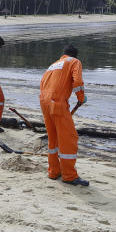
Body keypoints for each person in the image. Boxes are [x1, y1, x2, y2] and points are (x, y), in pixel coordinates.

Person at [39, 44, 88, 186]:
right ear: (75, 55)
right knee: (69, 138)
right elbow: (77, 82)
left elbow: (42, 84)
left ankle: (54, 171)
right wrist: (80, 97)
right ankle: (69, 176)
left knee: (53, 138)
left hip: (44, 102)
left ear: (63, 54)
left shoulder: (53, 65)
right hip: (57, 103)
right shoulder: (74, 62)